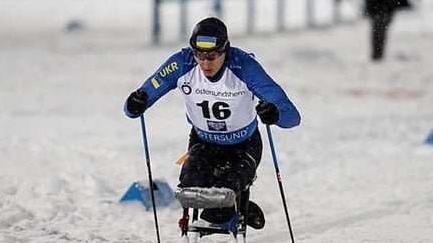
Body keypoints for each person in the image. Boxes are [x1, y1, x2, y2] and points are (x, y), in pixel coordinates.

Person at [124, 17, 301, 231]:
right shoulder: (183, 63)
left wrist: (275, 114)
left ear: (225, 50)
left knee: (225, 190)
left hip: (244, 144)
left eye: (212, 56)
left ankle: (230, 212)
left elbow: (292, 116)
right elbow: (138, 102)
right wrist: (135, 103)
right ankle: (233, 210)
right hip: (203, 141)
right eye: (200, 55)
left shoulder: (244, 66)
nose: (205, 63)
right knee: (190, 185)